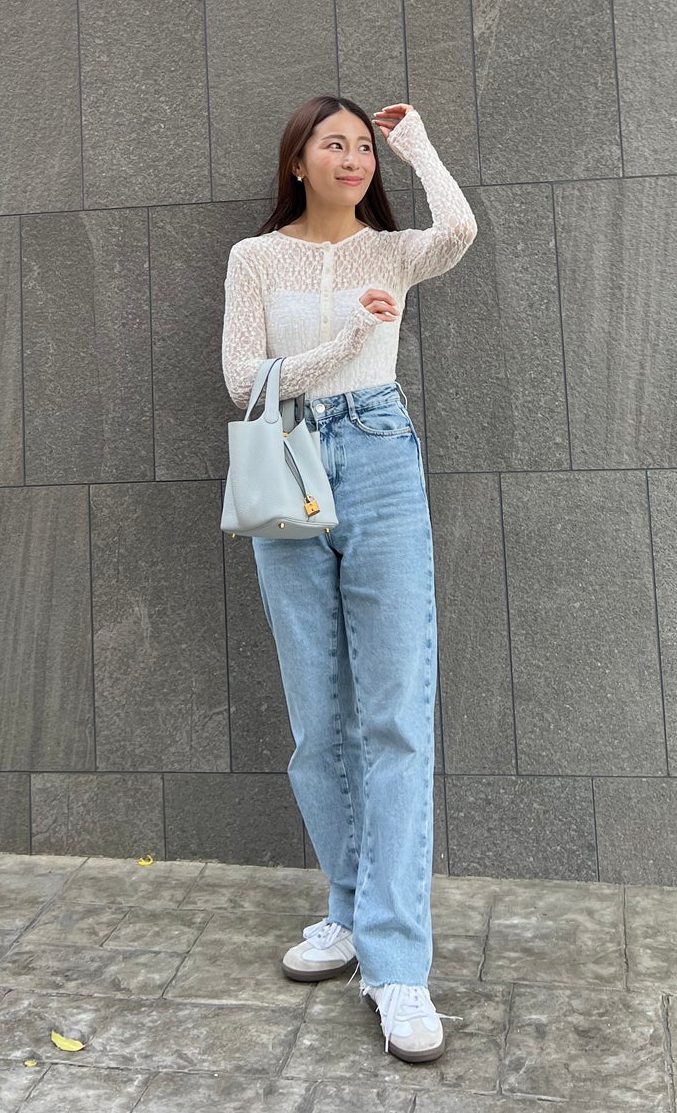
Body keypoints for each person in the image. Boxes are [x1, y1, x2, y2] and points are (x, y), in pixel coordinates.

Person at [220, 95, 477, 1065]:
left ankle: (395, 962)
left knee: (394, 715)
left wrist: (413, 140)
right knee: (315, 720)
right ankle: (345, 906)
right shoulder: (255, 258)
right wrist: (337, 346)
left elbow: (457, 226)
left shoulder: (392, 251)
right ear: (296, 159)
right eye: (335, 142)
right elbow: (239, 374)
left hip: (375, 452)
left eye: (361, 145)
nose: (352, 156)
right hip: (279, 453)